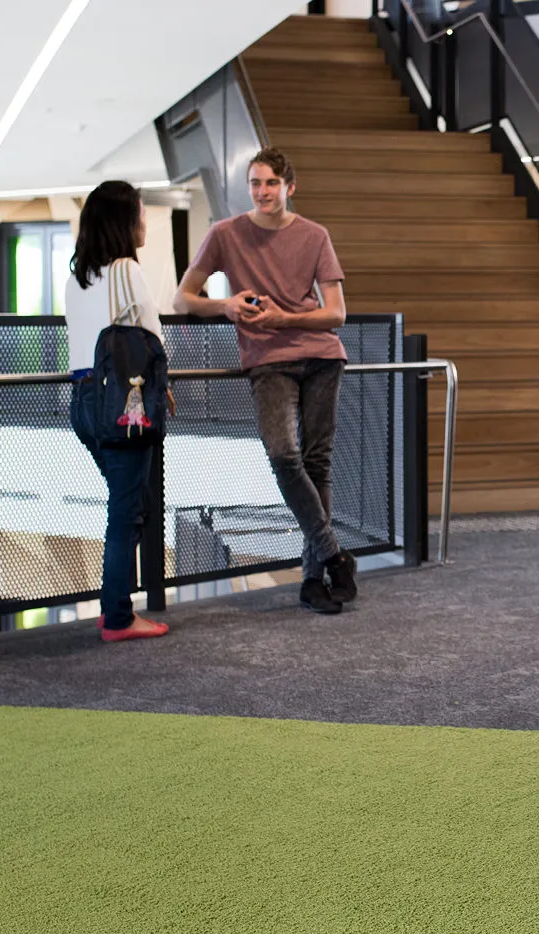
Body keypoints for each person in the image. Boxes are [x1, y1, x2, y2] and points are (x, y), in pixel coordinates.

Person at [174, 147, 357, 615]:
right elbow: (183, 299)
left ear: (289, 187)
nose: (262, 192)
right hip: (267, 361)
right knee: (282, 453)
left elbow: (336, 313)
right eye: (255, 183)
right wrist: (228, 306)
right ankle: (336, 555)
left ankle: (314, 579)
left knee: (317, 464)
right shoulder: (225, 234)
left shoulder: (315, 236)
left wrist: (283, 316)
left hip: (321, 357)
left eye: (271, 183)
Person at [65, 180, 170, 642]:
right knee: (125, 511)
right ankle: (118, 617)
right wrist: (161, 389)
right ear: (123, 222)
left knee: (123, 505)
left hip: (85, 401)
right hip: (122, 403)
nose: (144, 221)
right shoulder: (127, 269)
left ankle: (114, 605)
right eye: (140, 213)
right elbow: (149, 336)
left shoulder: (77, 277)